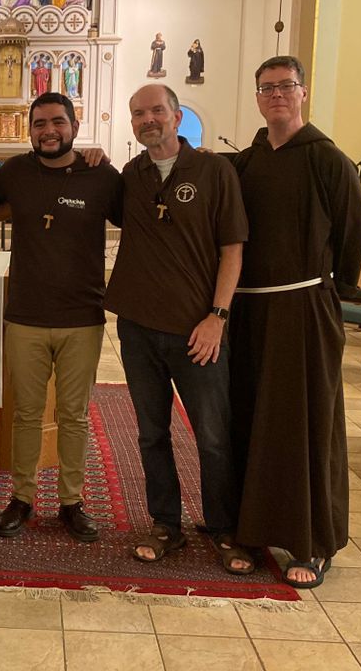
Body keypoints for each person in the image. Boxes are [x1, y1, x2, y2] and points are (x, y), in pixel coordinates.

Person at [104, 83, 255, 575]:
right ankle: (165, 523)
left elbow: (232, 248)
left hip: (198, 331)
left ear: (176, 115)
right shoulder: (132, 174)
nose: (148, 120)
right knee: (152, 433)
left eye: (157, 111)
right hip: (139, 328)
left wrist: (219, 316)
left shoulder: (214, 170)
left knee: (212, 435)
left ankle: (223, 528)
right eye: (139, 114)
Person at [230, 56, 361, 589]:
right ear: (258, 98)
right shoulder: (245, 163)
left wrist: (336, 298)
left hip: (304, 308)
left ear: (303, 92)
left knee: (302, 421)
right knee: (249, 415)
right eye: (267, 88)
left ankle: (311, 540)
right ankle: (250, 528)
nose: (276, 95)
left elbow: (353, 235)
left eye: (286, 86)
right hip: (249, 309)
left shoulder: (328, 160)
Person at [0, 92, 122, 541]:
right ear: (29, 129)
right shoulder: (14, 172)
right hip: (26, 313)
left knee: (74, 414)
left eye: (58, 122)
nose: (49, 130)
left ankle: (71, 501)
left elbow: (139, 213)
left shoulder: (100, 173)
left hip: (81, 315)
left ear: (74, 125)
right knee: (25, 412)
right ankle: (22, 498)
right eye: (40, 123)